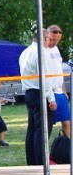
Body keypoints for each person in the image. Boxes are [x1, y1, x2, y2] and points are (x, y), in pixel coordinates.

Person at [18, 31, 57, 166]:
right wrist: (51, 98)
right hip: (41, 93)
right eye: (49, 39)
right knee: (42, 130)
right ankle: (41, 163)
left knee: (32, 129)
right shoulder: (41, 52)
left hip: (29, 92)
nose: (50, 42)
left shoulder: (25, 52)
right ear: (45, 38)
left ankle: (32, 162)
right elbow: (45, 77)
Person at [45, 24, 70, 139]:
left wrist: (64, 90)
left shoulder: (56, 49)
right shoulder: (43, 50)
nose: (54, 43)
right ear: (47, 36)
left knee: (67, 122)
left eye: (57, 40)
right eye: (52, 39)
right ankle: (44, 148)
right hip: (50, 92)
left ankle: (68, 146)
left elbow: (59, 71)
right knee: (47, 124)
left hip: (60, 92)